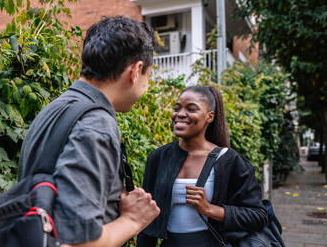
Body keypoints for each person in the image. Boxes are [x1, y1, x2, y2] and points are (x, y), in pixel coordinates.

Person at [18, 16, 160, 247]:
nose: (147, 84)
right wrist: (133, 219)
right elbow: (78, 243)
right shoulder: (96, 124)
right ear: (135, 71)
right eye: (149, 76)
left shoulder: (56, 108)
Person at [137, 86, 268, 247]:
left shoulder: (229, 161)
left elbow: (258, 216)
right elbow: (147, 219)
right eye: (177, 108)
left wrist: (210, 209)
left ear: (209, 116)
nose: (180, 114)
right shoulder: (158, 158)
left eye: (191, 109)